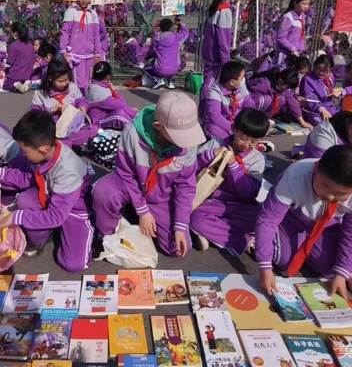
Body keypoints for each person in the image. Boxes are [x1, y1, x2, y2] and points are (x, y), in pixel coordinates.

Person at [0, 110, 94, 272]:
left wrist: (16, 217)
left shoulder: (68, 172)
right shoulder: (43, 154)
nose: (22, 155)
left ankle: (86, 231)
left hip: (75, 208)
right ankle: (42, 236)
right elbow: (27, 178)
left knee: (73, 264)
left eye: (24, 151)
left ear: (43, 149)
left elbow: (56, 216)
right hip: (51, 196)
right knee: (25, 200)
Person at [92, 91, 206, 257]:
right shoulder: (131, 133)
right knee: (105, 191)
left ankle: (132, 214)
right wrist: (143, 211)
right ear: (158, 126)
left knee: (177, 248)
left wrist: (181, 225)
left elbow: (185, 186)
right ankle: (107, 233)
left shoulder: (189, 142)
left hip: (160, 196)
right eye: (179, 136)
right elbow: (126, 175)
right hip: (130, 186)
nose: (185, 142)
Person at [257, 145, 352, 299]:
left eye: (341, 194)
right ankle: (257, 239)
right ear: (316, 168)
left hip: (326, 225)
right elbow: (268, 220)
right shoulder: (295, 175)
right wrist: (265, 267)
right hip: (292, 219)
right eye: (325, 186)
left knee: (329, 269)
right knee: (284, 259)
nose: (329, 197)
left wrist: (342, 271)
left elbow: (349, 234)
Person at [190, 108, 268, 253]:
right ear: (233, 129)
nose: (247, 144)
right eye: (243, 138)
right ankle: (243, 240)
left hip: (240, 205)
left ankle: (211, 232)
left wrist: (233, 166)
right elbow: (189, 168)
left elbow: (248, 194)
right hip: (211, 202)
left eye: (254, 142)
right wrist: (209, 156)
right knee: (195, 217)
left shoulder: (257, 159)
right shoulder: (215, 144)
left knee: (262, 217)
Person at [30, 60, 98, 148]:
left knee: (94, 130)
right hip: (52, 129)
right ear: (50, 78)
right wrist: (51, 110)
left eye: (66, 80)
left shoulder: (72, 87)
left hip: (73, 127)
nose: (64, 83)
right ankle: (68, 144)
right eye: (60, 81)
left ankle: (65, 144)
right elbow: (34, 115)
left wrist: (82, 107)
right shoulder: (40, 93)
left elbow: (81, 100)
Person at [201, 0, 246, 99]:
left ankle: (206, 107)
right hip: (216, 56)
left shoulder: (215, 7)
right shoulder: (225, 11)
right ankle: (205, 109)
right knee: (210, 85)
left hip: (208, 52)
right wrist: (226, 62)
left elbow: (206, 29)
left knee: (208, 82)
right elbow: (222, 41)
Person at [60, 0, 101, 91]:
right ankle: (78, 103)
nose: (84, 0)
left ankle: (87, 104)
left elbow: (96, 35)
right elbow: (65, 32)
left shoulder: (93, 14)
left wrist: (98, 53)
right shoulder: (70, 11)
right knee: (78, 82)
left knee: (89, 82)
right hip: (75, 55)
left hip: (90, 55)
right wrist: (64, 51)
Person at [202, 61, 254, 140]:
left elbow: (251, 107)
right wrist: (232, 128)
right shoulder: (215, 91)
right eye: (242, 78)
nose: (244, 80)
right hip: (220, 124)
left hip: (237, 123)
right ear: (232, 82)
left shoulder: (241, 89)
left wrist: (244, 88)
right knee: (213, 129)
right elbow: (215, 117)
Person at [247, 68, 312, 129]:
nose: (285, 89)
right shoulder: (265, 82)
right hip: (249, 107)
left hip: (260, 109)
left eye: (287, 87)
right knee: (267, 99)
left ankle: (263, 119)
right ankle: (253, 119)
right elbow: (251, 99)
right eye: (286, 86)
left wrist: (302, 121)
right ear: (280, 79)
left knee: (282, 99)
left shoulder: (284, 88)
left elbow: (292, 101)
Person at [299, 54, 352, 126]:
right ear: (314, 66)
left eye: (324, 71)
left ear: (331, 68)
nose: (321, 73)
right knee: (324, 126)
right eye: (318, 69)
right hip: (314, 110)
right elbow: (310, 99)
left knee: (343, 124)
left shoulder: (331, 76)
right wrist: (322, 109)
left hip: (330, 108)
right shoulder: (308, 79)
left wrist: (342, 91)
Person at [87, 61, 137, 130]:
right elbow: (121, 104)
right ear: (108, 76)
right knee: (120, 115)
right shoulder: (99, 92)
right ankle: (139, 129)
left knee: (125, 111)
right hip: (98, 122)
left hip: (105, 115)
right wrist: (136, 114)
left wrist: (131, 110)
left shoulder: (97, 86)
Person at [146, 17, 189, 90]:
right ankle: (170, 80)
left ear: (160, 27)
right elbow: (186, 34)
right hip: (174, 69)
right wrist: (181, 24)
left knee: (146, 65)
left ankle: (159, 79)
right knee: (182, 61)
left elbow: (153, 48)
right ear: (171, 27)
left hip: (160, 69)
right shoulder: (176, 37)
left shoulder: (157, 37)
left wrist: (154, 27)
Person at [276, 0, 311, 68]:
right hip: (285, 55)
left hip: (296, 54)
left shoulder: (302, 17)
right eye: (304, 4)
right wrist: (292, 48)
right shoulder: (288, 17)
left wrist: (302, 48)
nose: (306, 6)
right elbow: (280, 38)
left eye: (308, 4)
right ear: (295, 3)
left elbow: (301, 36)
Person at [3, 22, 36, 93]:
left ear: (15, 33)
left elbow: (9, 62)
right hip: (28, 74)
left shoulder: (14, 45)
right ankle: (26, 83)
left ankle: (16, 84)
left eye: (11, 31)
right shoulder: (30, 45)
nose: (10, 33)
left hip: (16, 75)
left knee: (6, 85)